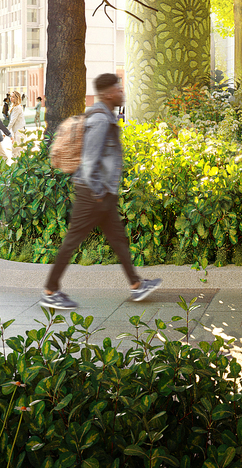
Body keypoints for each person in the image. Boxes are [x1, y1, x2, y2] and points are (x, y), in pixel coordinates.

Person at [40, 73, 161, 311]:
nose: (121, 92)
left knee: (117, 239)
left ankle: (137, 285)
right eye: (118, 89)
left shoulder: (105, 116)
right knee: (72, 241)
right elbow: (89, 161)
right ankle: (50, 291)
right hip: (93, 194)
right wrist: (98, 193)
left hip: (101, 193)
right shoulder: (101, 121)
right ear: (107, 94)